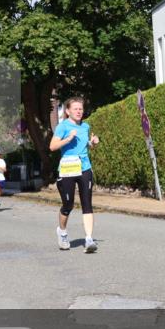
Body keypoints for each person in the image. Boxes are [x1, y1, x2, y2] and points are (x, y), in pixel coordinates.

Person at [49, 97, 100, 252]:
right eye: (75, 109)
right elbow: (52, 146)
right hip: (67, 169)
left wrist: (92, 143)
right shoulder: (62, 127)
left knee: (87, 203)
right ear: (68, 111)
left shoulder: (85, 126)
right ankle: (62, 232)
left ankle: (89, 239)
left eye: (81, 109)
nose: (79, 111)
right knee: (68, 205)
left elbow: (84, 147)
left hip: (84, 168)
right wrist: (68, 139)